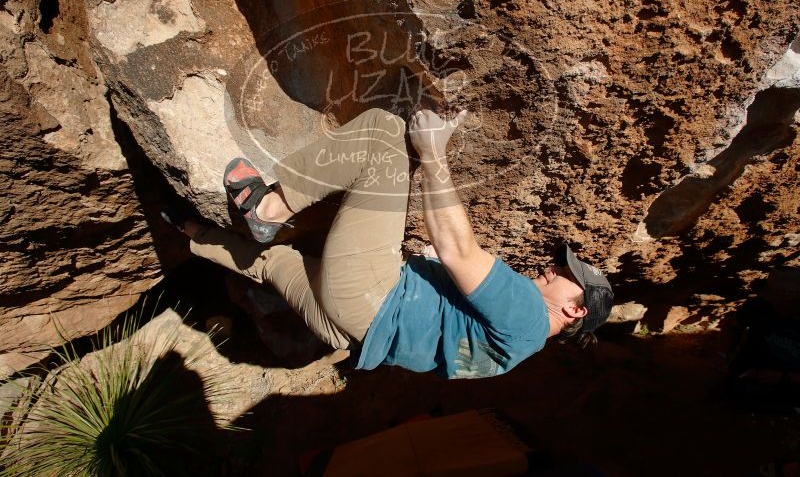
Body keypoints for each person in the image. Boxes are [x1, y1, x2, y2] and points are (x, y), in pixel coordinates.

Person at [162, 107, 614, 379]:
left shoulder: (527, 313)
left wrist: (433, 151)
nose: (553, 269)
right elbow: (446, 337)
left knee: (381, 134)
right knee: (271, 261)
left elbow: (458, 251)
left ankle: (267, 210)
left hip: (371, 296)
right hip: (347, 332)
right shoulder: (515, 353)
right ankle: (190, 229)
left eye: (566, 276)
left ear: (574, 310)